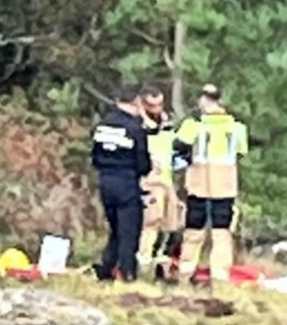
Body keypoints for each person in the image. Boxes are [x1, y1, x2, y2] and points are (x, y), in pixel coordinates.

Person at [173, 83, 248, 283]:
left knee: (193, 231)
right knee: (222, 233)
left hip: (198, 186)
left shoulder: (193, 126)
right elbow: (241, 152)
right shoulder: (237, 128)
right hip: (225, 187)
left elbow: (178, 149)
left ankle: (185, 272)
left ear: (203, 100)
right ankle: (220, 276)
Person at [90, 84, 152, 282]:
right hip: (126, 182)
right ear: (136, 102)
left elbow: (95, 157)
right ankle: (127, 272)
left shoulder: (103, 125)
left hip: (105, 181)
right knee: (129, 231)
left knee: (115, 228)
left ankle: (107, 268)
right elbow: (142, 163)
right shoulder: (134, 128)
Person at [138, 84, 184, 269]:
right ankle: (143, 259)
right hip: (149, 180)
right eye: (151, 106)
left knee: (171, 222)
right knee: (151, 220)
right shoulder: (138, 125)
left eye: (159, 105)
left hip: (166, 179)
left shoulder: (167, 124)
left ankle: (161, 261)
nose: (156, 110)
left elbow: (172, 149)